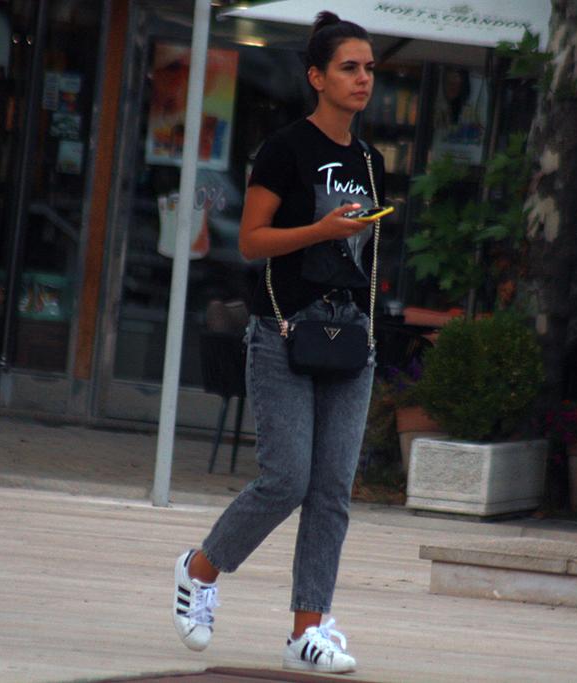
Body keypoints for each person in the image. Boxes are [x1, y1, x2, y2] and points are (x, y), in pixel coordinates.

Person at [172, 11, 384, 675]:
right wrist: (321, 230)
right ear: (317, 77)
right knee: (287, 478)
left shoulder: (371, 160)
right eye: (349, 68)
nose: (363, 79)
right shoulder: (285, 148)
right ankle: (199, 569)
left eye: (369, 68)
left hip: (349, 337)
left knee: (332, 491)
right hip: (283, 330)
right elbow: (251, 240)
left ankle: (307, 630)